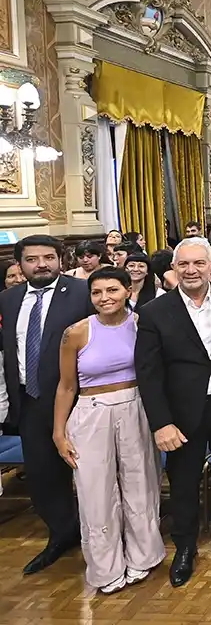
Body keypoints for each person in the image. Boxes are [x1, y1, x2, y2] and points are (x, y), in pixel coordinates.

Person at [51, 267, 164, 592]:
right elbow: (66, 387)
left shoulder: (144, 324)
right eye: (97, 293)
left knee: (141, 483)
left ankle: (144, 557)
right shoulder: (76, 333)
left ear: (128, 290)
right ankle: (106, 569)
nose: (105, 298)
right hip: (91, 412)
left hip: (136, 406)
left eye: (112, 290)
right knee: (95, 493)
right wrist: (59, 433)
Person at [134, 237, 211, 587]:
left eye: (198, 263)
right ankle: (186, 548)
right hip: (182, 415)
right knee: (184, 484)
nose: (191, 270)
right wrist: (161, 423)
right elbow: (148, 373)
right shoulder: (154, 313)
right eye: (184, 264)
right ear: (173, 269)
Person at [0, 235, 90, 575]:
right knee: (42, 476)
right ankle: (61, 534)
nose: (41, 264)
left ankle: (100, 536)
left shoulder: (83, 293)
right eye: (33, 259)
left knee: (90, 470)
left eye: (48, 257)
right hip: (30, 399)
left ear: (60, 259)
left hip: (80, 399)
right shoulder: (7, 300)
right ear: (20, 264)